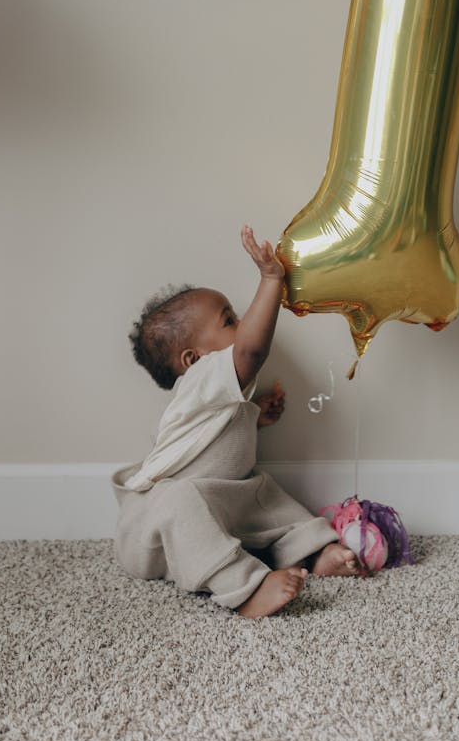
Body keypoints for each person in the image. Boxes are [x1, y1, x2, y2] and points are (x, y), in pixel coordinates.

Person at [112, 225, 358, 618]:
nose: (242, 325)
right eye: (229, 321)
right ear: (192, 360)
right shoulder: (201, 377)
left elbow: (213, 441)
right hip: (155, 529)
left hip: (222, 503)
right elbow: (251, 351)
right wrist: (271, 279)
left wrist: (255, 416)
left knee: (268, 497)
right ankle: (245, 590)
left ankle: (316, 554)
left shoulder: (211, 392)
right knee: (184, 500)